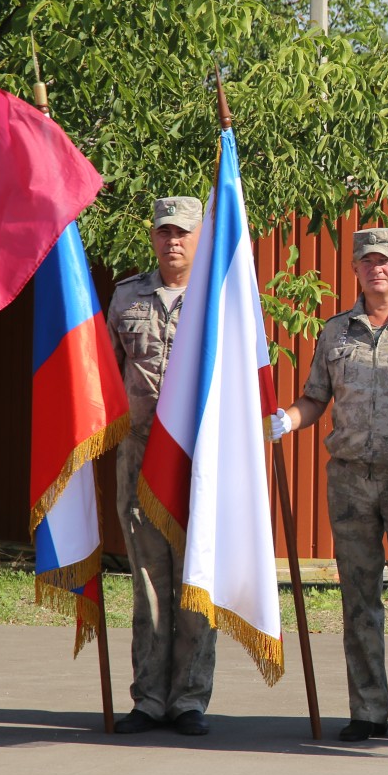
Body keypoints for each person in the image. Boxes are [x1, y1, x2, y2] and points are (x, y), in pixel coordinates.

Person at [271, 227, 388, 745]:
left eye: (385, 260)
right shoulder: (335, 332)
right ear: (354, 269)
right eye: (366, 260)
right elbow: (314, 398)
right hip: (350, 481)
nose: (376, 268)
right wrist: (287, 419)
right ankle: (367, 709)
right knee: (359, 600)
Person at [106, 195, 217, 737]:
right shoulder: (127, 296)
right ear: (152, 237)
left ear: (200, 237)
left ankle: (190, 699)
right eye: (163, 232)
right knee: (148, 584)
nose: (173, 241)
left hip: (201, 464)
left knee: (195, 580)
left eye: (183, 233)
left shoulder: (220, 300)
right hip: (140, 460)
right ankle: (149, 698)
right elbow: (101, 377)